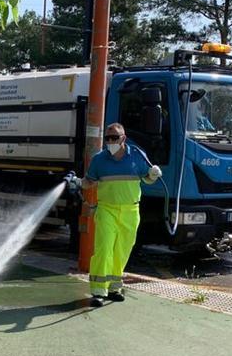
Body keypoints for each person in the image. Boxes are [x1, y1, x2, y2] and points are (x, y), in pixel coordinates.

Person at [65, 123, 161, 307]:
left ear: (123, 138)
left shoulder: (138, 156)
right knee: (104, 249)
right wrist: (76, 182)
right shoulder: (99, 159)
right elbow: (89, 182)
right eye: (107, 138)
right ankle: (98, 291)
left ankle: (114, 288)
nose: (110, 142)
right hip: (106, 209)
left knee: (122, 250)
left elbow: (147, 179)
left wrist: (153, 174)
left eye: (114, 138)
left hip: (131, 211)